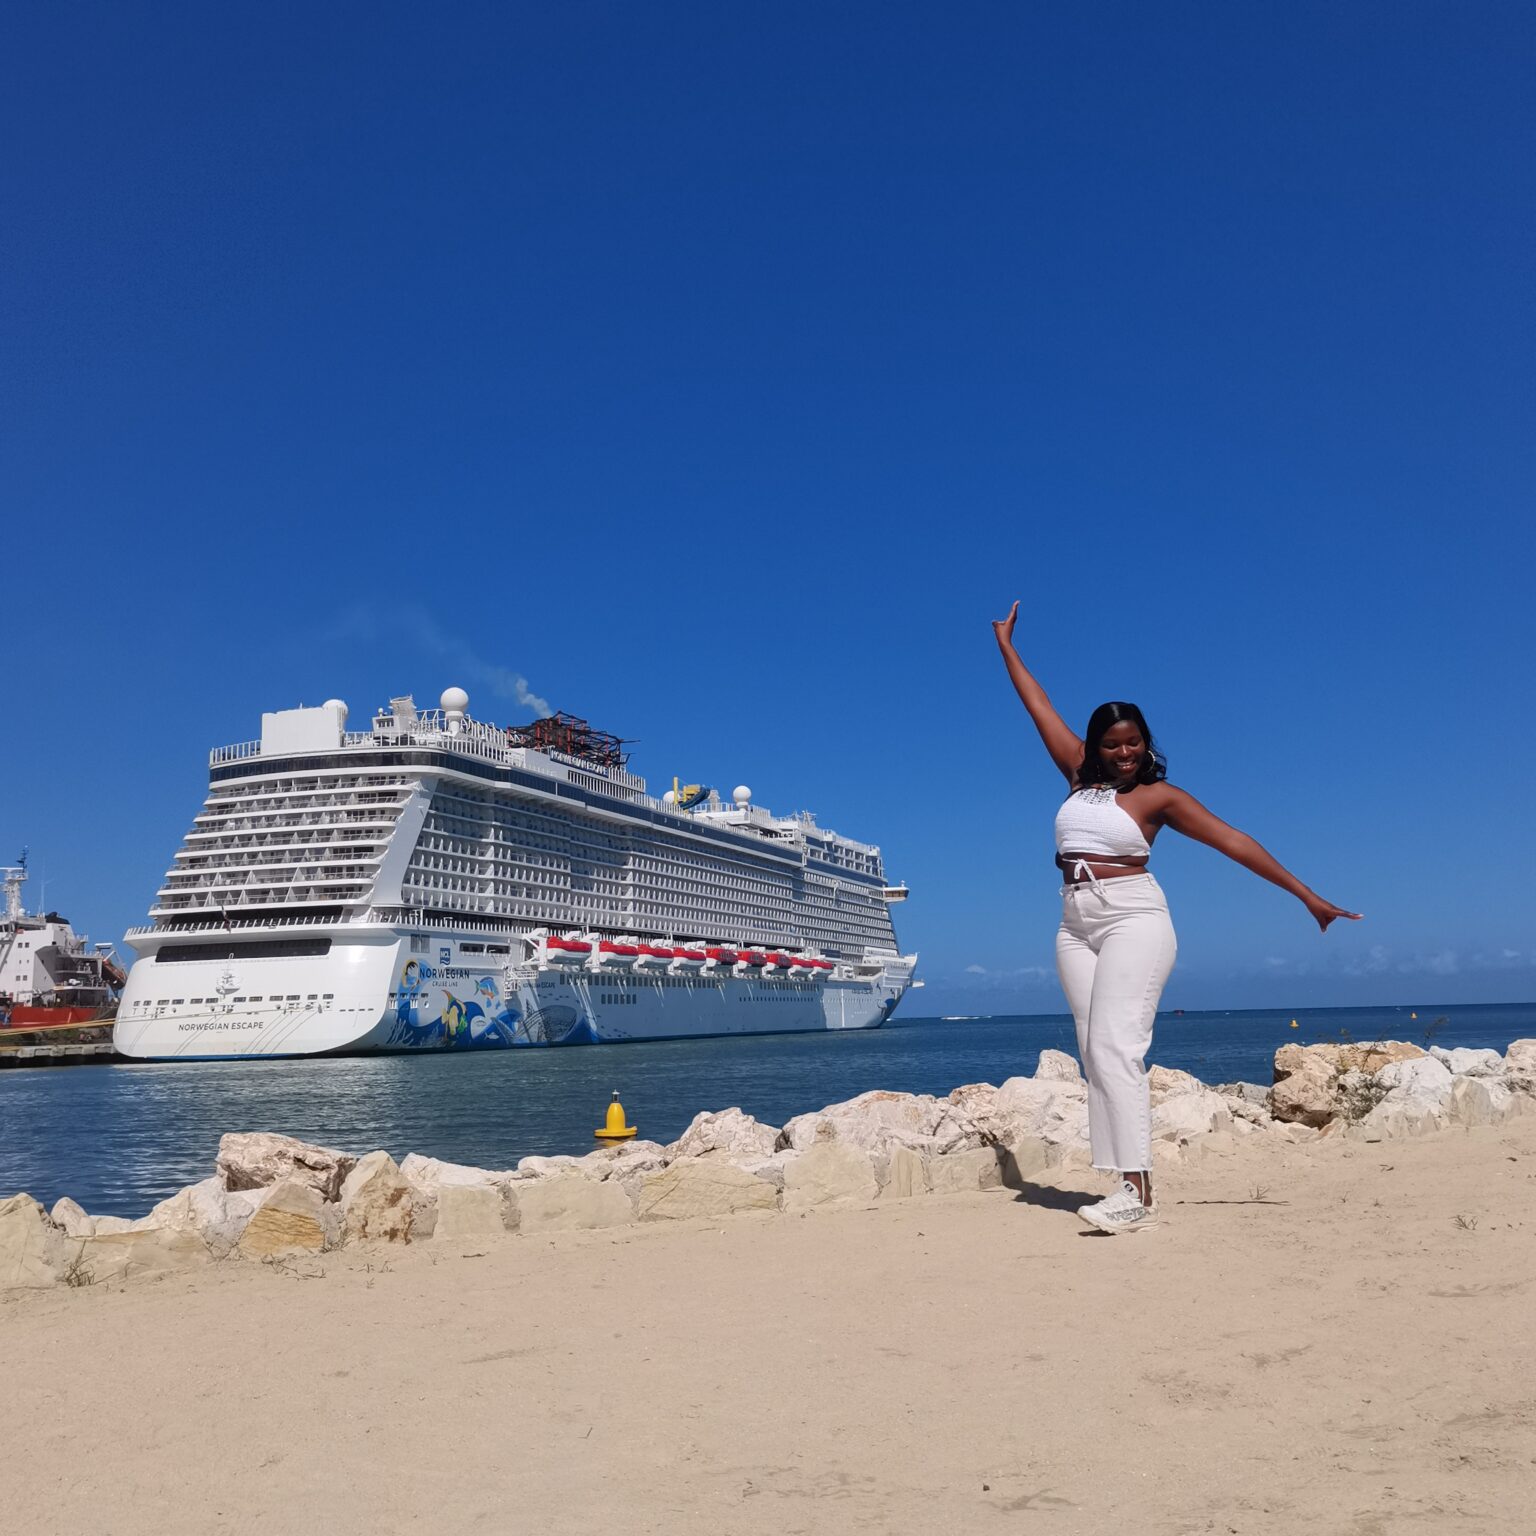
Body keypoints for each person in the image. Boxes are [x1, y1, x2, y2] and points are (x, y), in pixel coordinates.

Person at [992, 601, 1361, 1234]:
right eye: (1113, 744)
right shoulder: (1077, 777)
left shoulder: (1158, 797)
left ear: (1146, 743)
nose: (1125, 752)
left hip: (1134, 917)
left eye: (1134, 742)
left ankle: (1135, 1194)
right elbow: (1038, 705)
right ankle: (1127, 1183)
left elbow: (1233, 840)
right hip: (1074, 924)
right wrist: (1006, 644)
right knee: (1094, 1051)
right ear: (1096, 747)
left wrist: (1307, 896)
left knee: (1117, 1045)